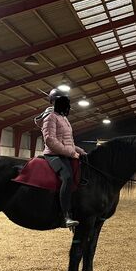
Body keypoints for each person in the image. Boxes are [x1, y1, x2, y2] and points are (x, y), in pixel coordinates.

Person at [34, 89, 86, 228]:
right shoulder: (50, 117)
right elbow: (50, 140)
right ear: (53, 101)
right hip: (53, 154)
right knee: (67, 178)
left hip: (66, 153)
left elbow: (68, 141)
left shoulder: (63, 118)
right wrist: (70, 153)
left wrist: (80, 151)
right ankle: (66, 216)